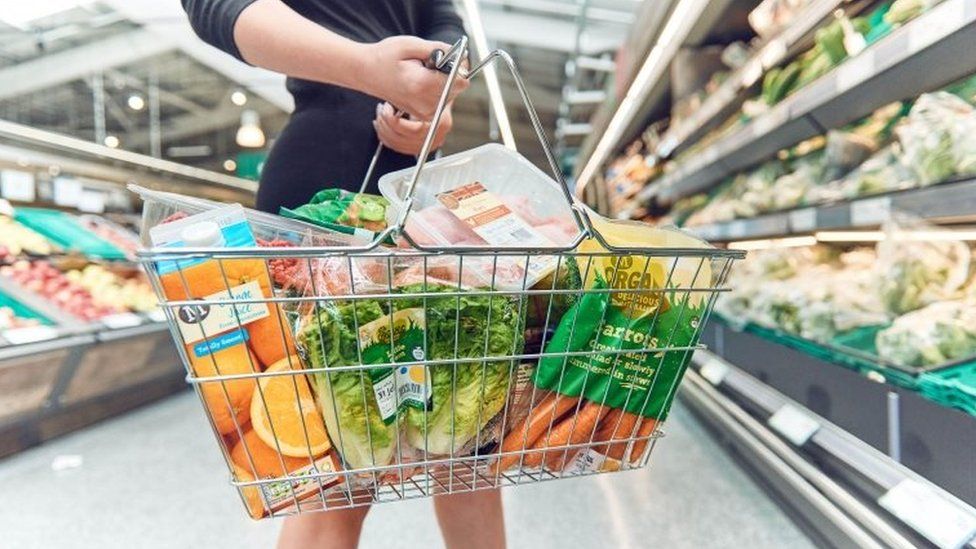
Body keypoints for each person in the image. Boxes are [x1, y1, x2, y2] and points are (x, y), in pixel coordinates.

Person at [180, 2, 504, 549]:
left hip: (416, 182)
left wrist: (439, 82)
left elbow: (443, 18)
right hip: (322, 190)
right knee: (341, 464)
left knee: (473, 445)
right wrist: (367, 67)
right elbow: (214, 8)